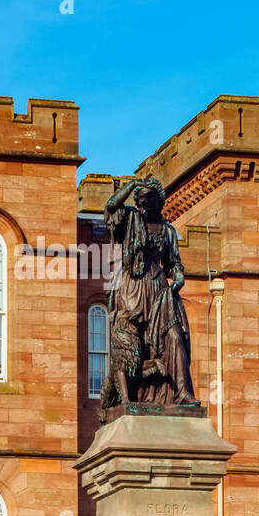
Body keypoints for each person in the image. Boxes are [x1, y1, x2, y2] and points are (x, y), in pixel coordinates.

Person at [99, 175, 198, 417]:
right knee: (133, 344)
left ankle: (182, 393)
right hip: (132, 287)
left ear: (158, 201)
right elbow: (111, 206)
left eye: (148, 200)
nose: (143, 205)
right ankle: (128, 397)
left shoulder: (168, 231)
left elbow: (173, 263)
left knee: (174, 336)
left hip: (159, 290)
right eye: (139, 200)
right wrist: (131, 185)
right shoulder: (130, 218)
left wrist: (179, 276)